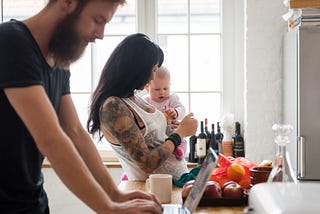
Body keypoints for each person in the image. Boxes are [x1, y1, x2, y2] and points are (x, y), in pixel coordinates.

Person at [0, 1, 163, 213]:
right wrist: (107, 207)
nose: (101, 34)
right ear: (67, 3)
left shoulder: (59, 61)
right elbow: (51, 140)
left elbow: (75, 132)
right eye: (97, 20)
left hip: (31, 202)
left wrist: (114, 194)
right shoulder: (11, 43)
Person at [87, 33, 198, 181]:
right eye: (152, 70)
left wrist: (174, 127)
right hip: (151, 192)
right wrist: (180, 134)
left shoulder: (133, 98)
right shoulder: (113, 107)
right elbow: (147, 163)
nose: (153, 78)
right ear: (136, 69)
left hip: (172, 187)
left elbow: (155, 139)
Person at [144, 66, 187, 160]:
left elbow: (182, 109)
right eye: (157, 89)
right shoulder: (145, 101)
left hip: (171, 131)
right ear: (147, 88)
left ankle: (179, 152)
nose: (162, 92)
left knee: (182, 140)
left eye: (165, 88)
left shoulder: (172, 98)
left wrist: (176, 112)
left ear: (170, 85)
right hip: (155, 135)